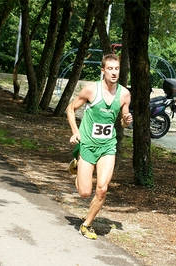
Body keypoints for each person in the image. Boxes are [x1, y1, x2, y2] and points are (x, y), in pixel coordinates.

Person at [66, 53, 133, 240]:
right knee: (85, 192)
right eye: (110, 69)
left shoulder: (124, 94)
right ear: (103, 70)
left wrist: (126, 120)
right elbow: (70, 109)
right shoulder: (90, 90)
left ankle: (86, 224)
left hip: (108, 146)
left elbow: (123, 122)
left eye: (116, 69)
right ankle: (78, 165)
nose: (114, 72)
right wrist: (75, 131)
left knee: (102, 188)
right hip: (87, 144)